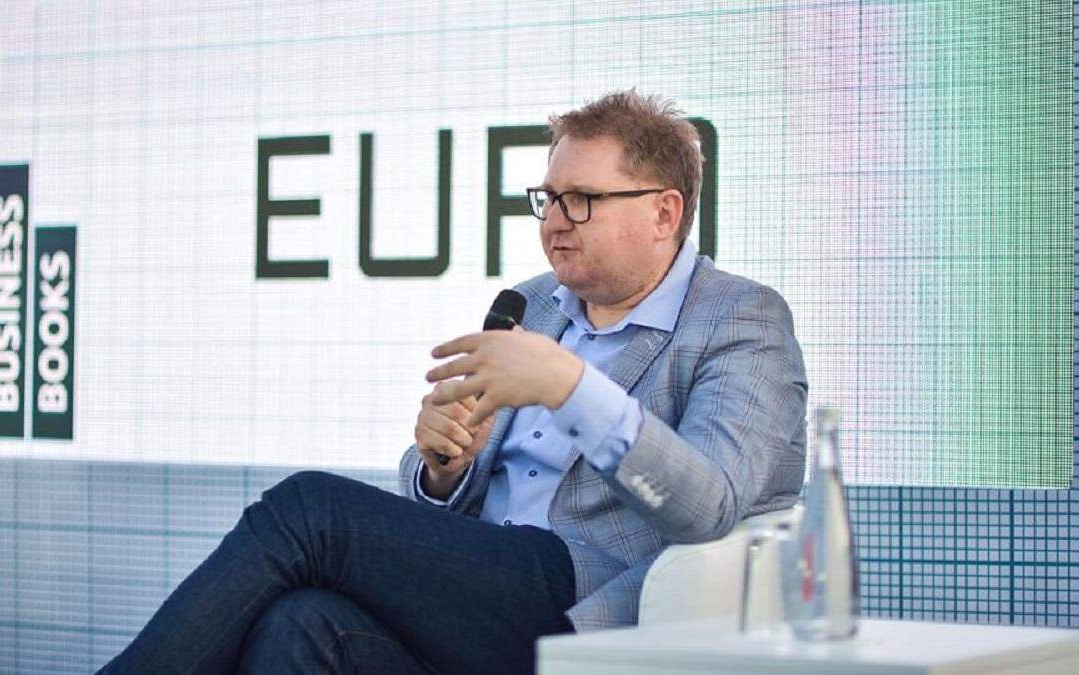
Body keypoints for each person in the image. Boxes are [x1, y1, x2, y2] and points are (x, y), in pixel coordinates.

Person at [100, 90, 808, 674]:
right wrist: (442, 470)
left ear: (664, 212)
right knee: (300, 624)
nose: (555, 223)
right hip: (475, 591)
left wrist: (571, 388)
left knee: (310, 510)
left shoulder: (739, 318)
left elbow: (709, 505)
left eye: (583, 200)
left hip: (579, 598)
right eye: (548, 199)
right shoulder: (533, 303)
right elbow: (447, 488)